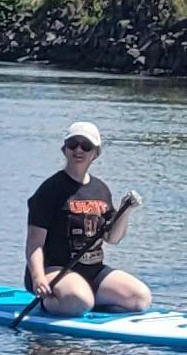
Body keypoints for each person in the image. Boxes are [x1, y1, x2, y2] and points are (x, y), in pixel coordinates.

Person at [22, 123, 149, 316]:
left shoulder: (101, 189)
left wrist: (126, 211)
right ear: (65, 150)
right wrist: (38, 276)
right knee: (80, 301)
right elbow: (34, 243)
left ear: (95, 153)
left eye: (86, 146)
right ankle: (52, 303)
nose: (78, 150)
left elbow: (112, 239)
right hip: (55, 270)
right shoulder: (50, 190)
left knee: (140, 298)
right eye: (73, 144)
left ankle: (86, 300)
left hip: (93, 270)